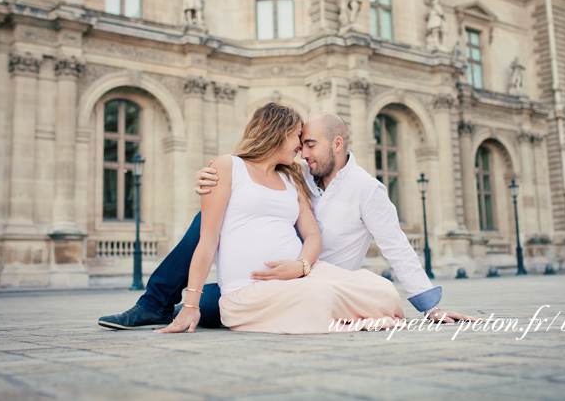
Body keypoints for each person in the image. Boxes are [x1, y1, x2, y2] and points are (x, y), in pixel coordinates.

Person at [98, 112, 476, 330]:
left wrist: (429, 307)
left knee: (207, 305)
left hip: (317, 279)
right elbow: (248, 186)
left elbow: (396, 247)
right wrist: (210, 179)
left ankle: (180, 307)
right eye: (300, 142)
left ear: (337, 144)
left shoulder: (367, 190)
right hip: (259, 281)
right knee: (206, 221)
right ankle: (157, 302)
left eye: (309, 144)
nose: (302, 151)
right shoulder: (299, 174)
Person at [154, 103, 404, 333]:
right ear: (279, 132)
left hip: (303, 275)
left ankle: (346, 310)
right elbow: (207, 241)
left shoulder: (292, 177)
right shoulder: (228, 167)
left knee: (382, 289)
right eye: (298, 137)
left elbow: (313, 235)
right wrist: (191, 305)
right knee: (320, 296)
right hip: (248, 291)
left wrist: (301, 265)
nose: (301, 147)